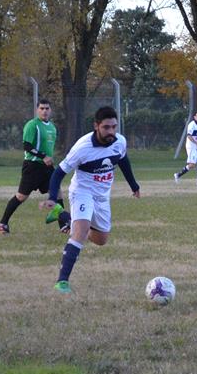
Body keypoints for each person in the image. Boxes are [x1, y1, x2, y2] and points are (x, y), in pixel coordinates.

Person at [44, 106, 140, 293]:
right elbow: (58, 173)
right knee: (80, 233)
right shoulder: (82, 147)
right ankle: (62, 281)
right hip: (82, 192)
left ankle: (62, 216)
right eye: (106, 127)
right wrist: (52, 197)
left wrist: (134, 185)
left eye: (114, 127)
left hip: (102, 197)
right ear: (96, 126)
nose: (111, 131)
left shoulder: (119, 141)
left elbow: (123, 160)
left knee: (101, 240)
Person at [0, 99, 69, 234]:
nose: (44, 111)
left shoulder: (52, 127)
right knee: (21, 197)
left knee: (57, 193)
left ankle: (64, 225)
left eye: (47, 108)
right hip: (32, 166)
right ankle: (3, 223)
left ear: (50, 110)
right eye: (42, 108)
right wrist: (43, 156)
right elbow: (27, 145)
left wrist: (48, 158)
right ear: (37, 110)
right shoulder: (32, 125)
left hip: (47, 167)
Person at [174, 112, 197, 185]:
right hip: (191, 147)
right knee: (192, 165)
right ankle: (178, 175)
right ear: (194, 117)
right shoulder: (191, 124)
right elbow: (189, 136)